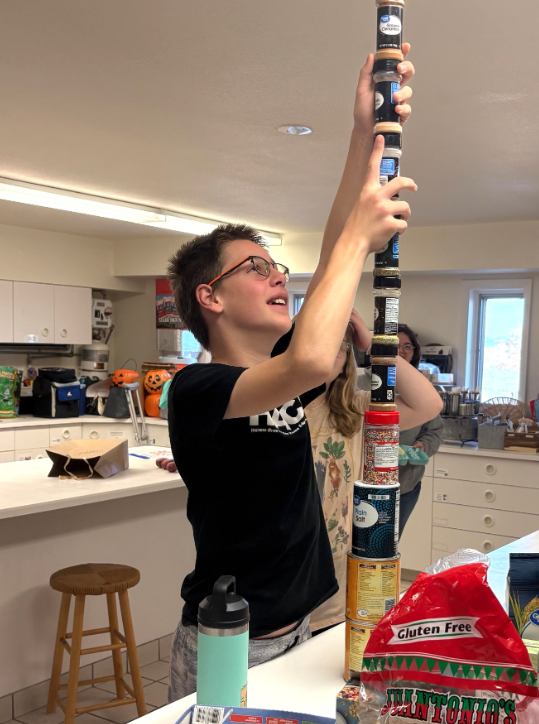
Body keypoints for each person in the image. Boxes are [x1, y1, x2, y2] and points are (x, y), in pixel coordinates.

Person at [165, 46, 420, 700]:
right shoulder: (198, 390)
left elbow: (324, 295)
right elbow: (314, 353)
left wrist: (363, 132)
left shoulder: (281, 373)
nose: (278, 274)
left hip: (305, 622)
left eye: (277, 264)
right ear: (209, 299)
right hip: (232, 636)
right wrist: (362, 240)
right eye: (255, 267)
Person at [305, 313, 441, 633]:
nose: (328, 351)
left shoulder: (352, 411)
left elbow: (428, 404)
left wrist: (374, 344)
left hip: (336, 589)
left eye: (339, 345)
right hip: (286, 585)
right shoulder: (275, 407)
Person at [396, 323, 443, 536]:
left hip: (405, 484)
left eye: (407, 346)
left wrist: (423, 445)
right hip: (366, 483)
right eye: (395, 345)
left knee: (390, 546)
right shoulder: (363, 382)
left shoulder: (422, 388)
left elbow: (433, 429)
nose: (401, 351)